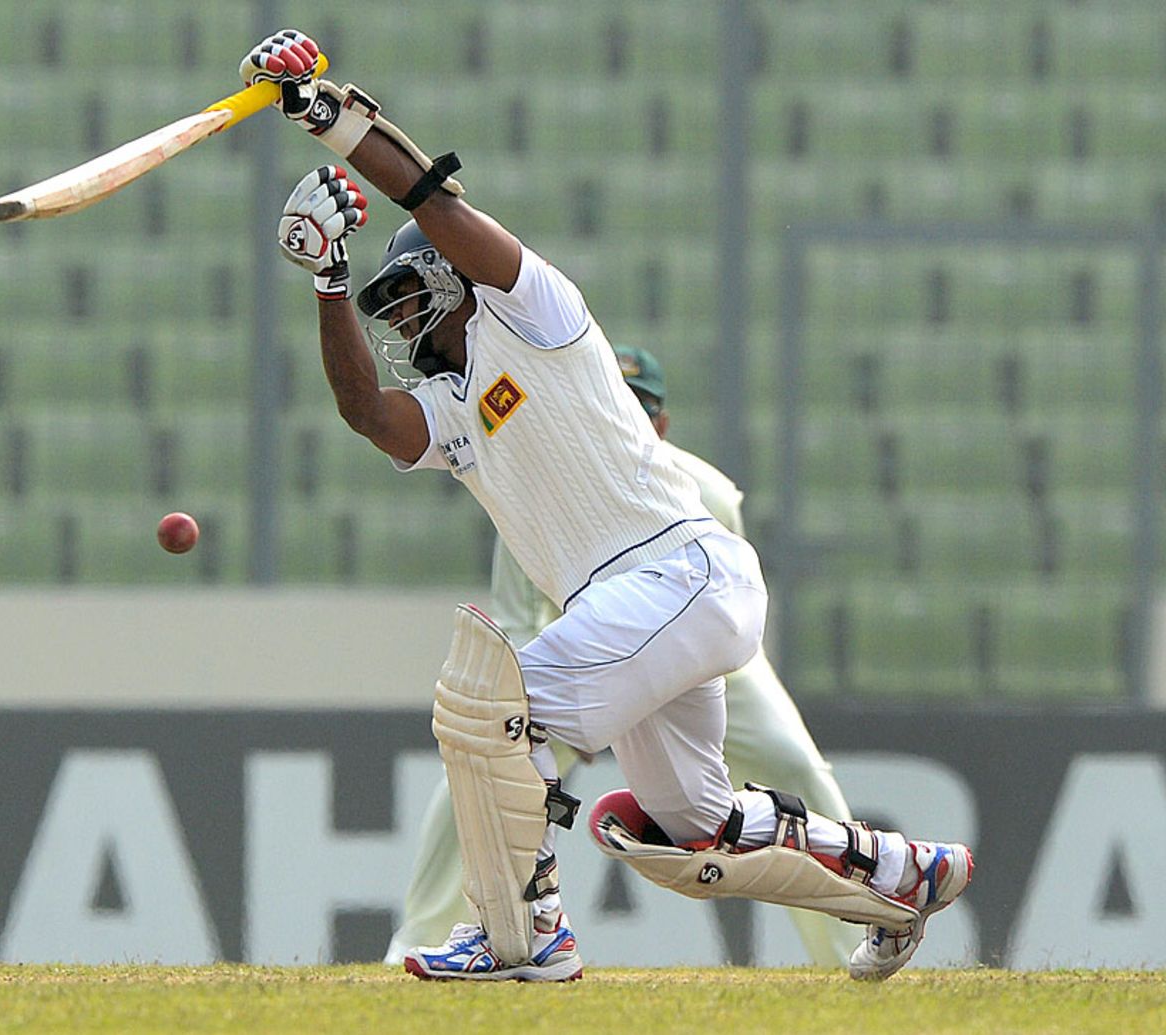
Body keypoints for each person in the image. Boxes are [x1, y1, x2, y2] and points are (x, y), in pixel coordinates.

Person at [239, 29, 972, 983]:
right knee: (687, 834)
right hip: (642, 608)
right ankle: (903, 873)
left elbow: (431, 198)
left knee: (490, 707)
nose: (403, 319)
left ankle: (527, 936)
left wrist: (325, 113)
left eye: (412, 294)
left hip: (679, 571)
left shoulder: (535, 313)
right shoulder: (455, 408)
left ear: (458, 281)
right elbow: (365, 414)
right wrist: (330, 283)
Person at [383, 344, 861, 969]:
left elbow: (724, 622)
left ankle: (853, 937)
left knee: (791, 763)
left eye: (645, 408)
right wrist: (572, 718)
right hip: (574, 645)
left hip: (696, 645)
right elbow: (522, 625)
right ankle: (424, 937)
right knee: (479, 754)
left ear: (659, 427)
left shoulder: (709, 491)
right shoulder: (538, 489)